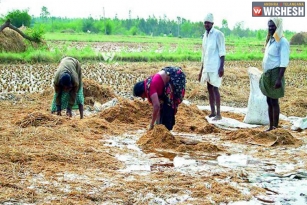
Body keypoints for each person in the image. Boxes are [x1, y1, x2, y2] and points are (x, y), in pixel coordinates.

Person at [260, 17, 290, 131]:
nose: (271, 28)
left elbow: (284, 62)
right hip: (268, 75)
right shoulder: (272, 40)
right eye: (269, 26)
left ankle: (275, 127)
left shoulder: (282, 42)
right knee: (269, 100)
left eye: (273, 26)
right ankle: (271, 126)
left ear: (278, 27)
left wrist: (279, 79)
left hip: (276, 74)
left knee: (274, 101)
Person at [133, 66, 186, 131]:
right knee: (163, 107)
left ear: (142, 92)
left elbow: (156, 106)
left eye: (142, 96)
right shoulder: (148, 85)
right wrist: (157, 125)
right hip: (168, 76)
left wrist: (151, 124)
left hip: (175, 76)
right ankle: (164, 127)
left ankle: (167, 128)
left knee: (168, 107)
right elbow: (158, 108)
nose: (143, 98)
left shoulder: (151, 87)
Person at [198, 13, 226, 120]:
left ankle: (219, 114)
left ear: (212, 23)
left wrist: (221, 67)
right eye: (205, 23)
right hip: (207, 67)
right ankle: (213, 112)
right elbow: (203, 54)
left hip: (215, 67)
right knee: (209, 88)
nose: (206, 24)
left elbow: (222, 52)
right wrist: (201, 70)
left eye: (208, 23)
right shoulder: (205, 36)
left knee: (215, 88)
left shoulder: (218, 34)